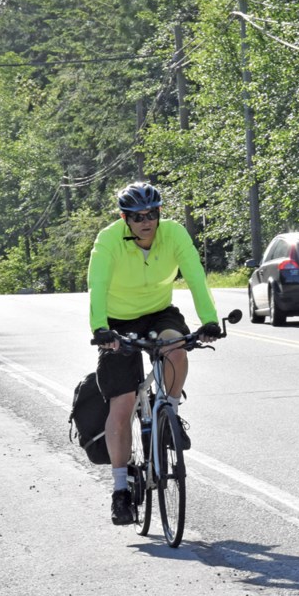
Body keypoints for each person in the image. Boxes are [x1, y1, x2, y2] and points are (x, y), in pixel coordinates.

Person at [88, 181, 221, 525]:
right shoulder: (108, 240)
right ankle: (120, 491)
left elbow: (195, 276)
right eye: (137, 216)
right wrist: (100, 329)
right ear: (125, 218)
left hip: (159, 312)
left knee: (177, 348)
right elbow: (97, 285)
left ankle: (171, 414)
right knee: (121, 404)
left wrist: (208, 321)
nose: (146, 221)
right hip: (117, 320)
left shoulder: (174, 234)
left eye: (152, 214)